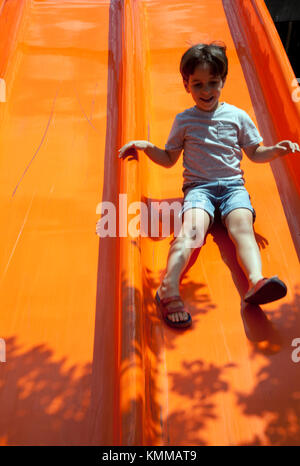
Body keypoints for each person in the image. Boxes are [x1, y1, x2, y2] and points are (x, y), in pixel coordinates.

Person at [118, 42, 299, 329]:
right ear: (186, 84)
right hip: (199, 189)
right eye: (198, 84)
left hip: (232, 188)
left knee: (242, 228)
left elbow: (254, 153)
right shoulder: (184, 121)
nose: (206, 91)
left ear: (223, 81)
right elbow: (168, 159)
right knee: (191, 232)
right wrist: (146, 146)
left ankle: (256, 281)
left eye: (213, 83)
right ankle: (168, 286)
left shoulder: (238, 116)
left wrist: (275, 150)